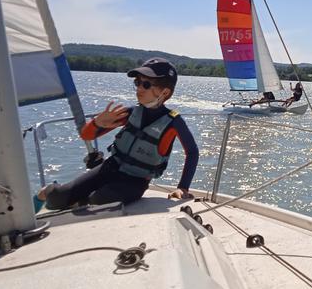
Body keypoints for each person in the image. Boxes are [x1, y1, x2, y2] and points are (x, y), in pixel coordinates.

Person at [34, 58, 199, 211]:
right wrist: (97, 123)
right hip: (109, 167)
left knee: (98, 200)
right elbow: (87, 135)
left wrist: (182, 187)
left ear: (165, 92)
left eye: (146, 85)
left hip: (135, 181)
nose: (139, 89)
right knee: (57, 199)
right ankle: (44, 193)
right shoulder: (130, 113)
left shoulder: (173, 122)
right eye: (137, 83)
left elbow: (192, 153)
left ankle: (80, 202)